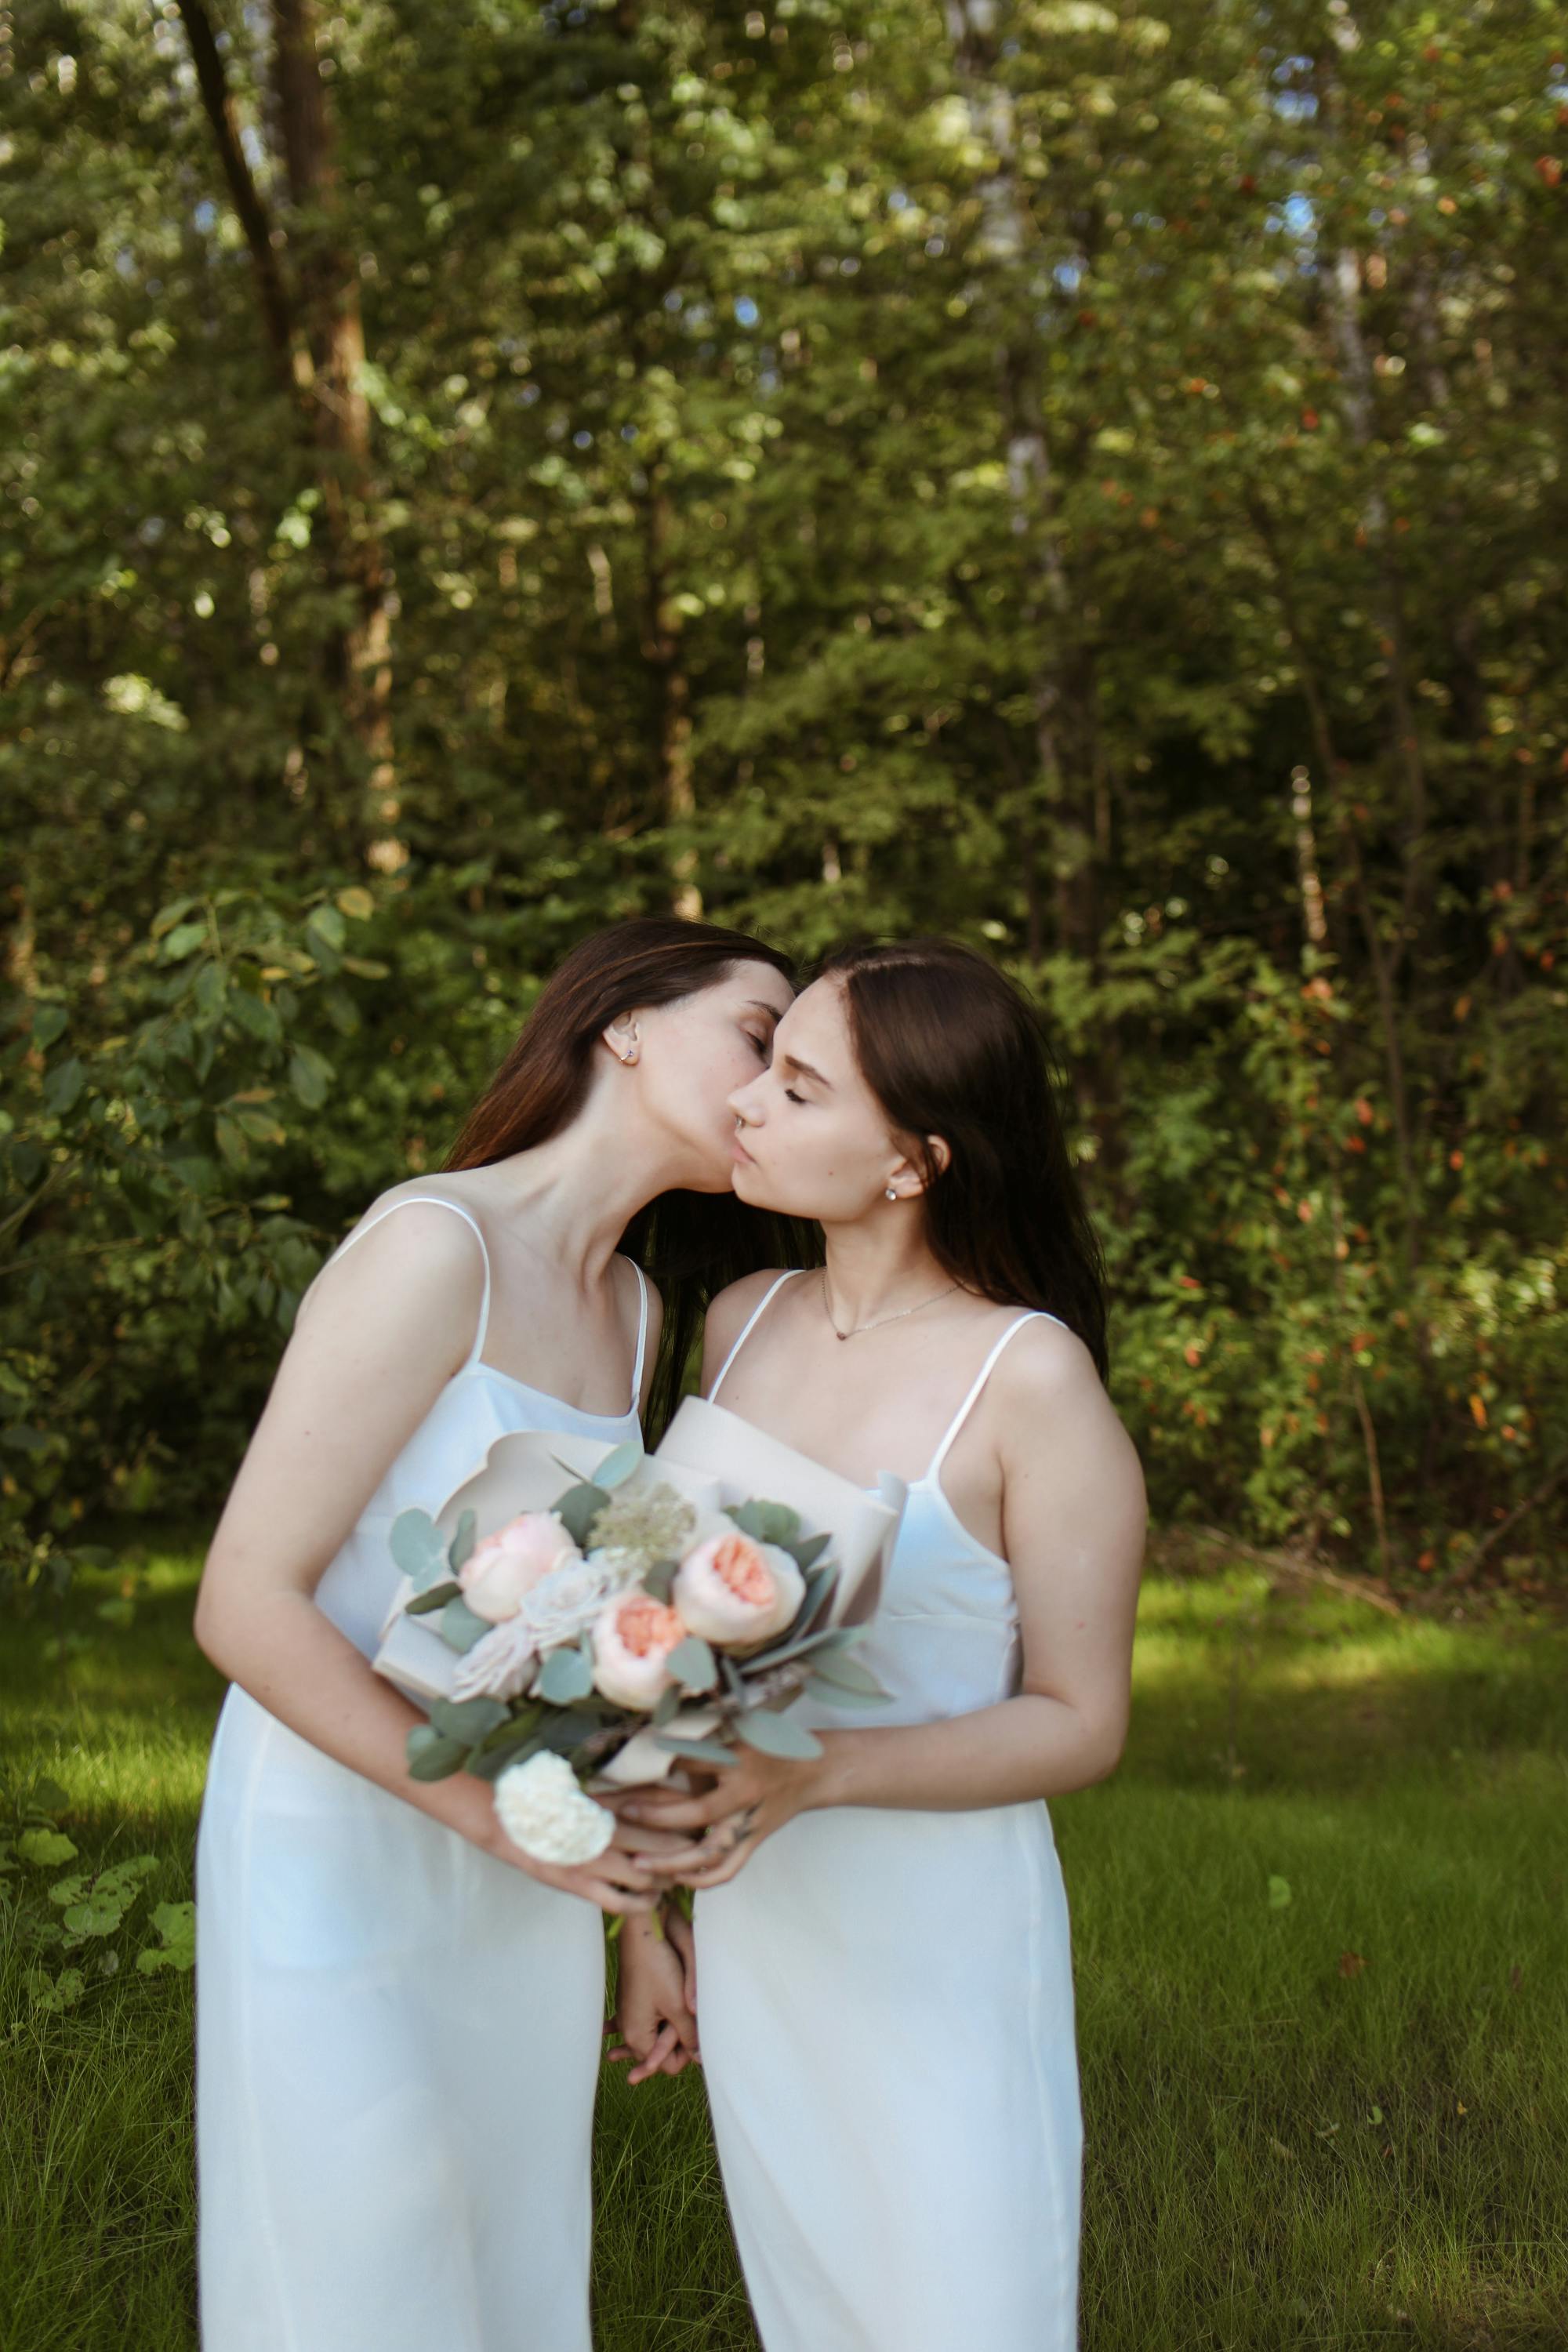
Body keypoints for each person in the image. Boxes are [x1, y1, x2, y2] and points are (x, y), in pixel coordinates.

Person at [192, 916, 797, 2352]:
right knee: (359, 2247)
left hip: (527, 1857)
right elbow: (244, 1601)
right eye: (759, 1039)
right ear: (626, 1024)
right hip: (339, 1830)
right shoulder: (433, 1244)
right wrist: (487, 1815)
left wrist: (638, 1919)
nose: (773, 1091)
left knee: (504, 2247)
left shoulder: (645, 1317)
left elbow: (582, 1640)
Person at [614, 937, 1146, 2352]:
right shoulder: (734, 1324)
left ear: (913, 1160)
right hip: (757, 1926)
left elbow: (1082, 1721)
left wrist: (823, 1771)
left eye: (797, 1088)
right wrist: (642, 1925)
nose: (747, 1108)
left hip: (935, 1942)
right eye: (764, 1068)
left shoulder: (1028, 1377)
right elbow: (650, 1647)